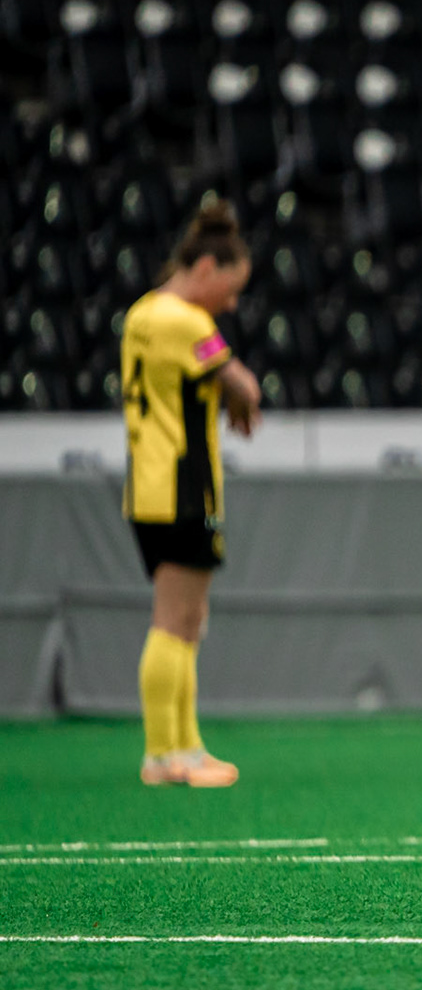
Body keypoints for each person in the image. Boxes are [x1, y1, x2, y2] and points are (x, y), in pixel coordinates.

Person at [120, 199, 261, 787]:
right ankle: (164, 754)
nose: (229, 305)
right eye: (229, 290)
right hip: (182, 488)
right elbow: (243, 384)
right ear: (205, 268)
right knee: (175, 619)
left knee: (187, 619)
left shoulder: (142, 315)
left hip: (150, 485)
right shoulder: (183, 320)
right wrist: (240, 397)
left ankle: (184, 747)